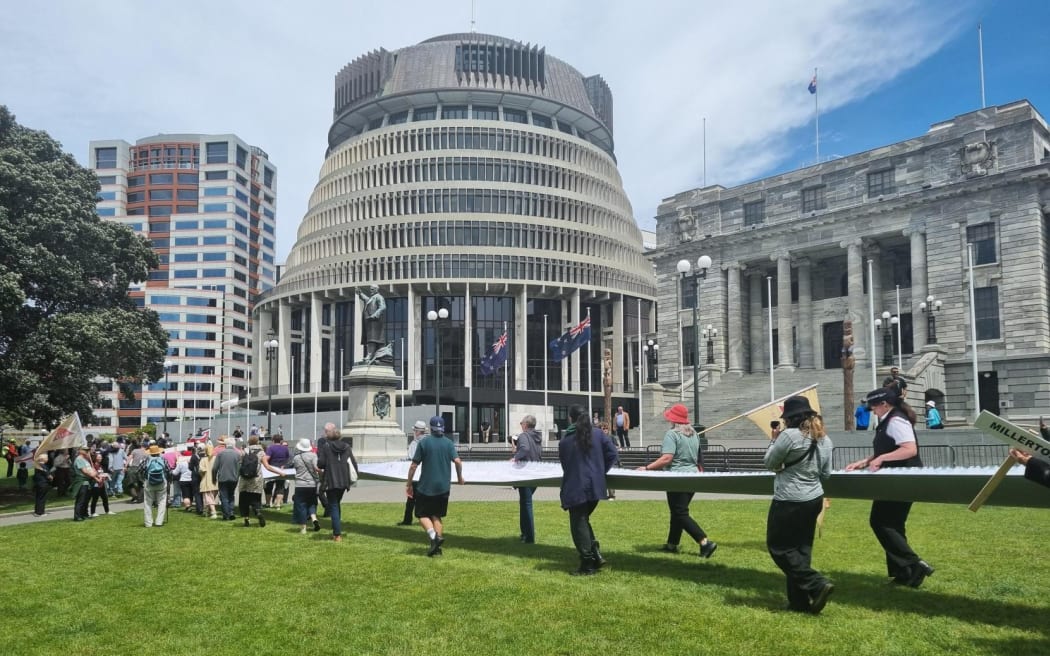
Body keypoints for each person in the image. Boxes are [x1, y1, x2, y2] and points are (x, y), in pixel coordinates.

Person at [846, 387, 934, 588]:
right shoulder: (890, 420)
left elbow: (909, 449)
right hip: (896, 479)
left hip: (902, 480)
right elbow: (888, 448)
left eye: (874, 406)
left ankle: (914, 563)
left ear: (884, 404)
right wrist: (865, 461)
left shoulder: (896, 420)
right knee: (892, 524)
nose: (872, 410)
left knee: (880, 522)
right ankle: (905, 574)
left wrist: (882, 458)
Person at [764, 395, 835, 614]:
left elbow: (769, 463)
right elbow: (826, 474)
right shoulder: (825, 439)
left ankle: (816, 583)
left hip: (789, 499)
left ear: (791, 418)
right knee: (801, 549)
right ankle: (799, 603)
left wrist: (774, 440)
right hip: (813, 498)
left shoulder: (789, 436)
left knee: (778, 547)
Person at [638, 404, 717, 558]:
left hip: (676, 478)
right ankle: (672, 544)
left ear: (673, 419)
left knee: (680, 513)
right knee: (677, 511)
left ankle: (704, 542)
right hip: (693, 476)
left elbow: (667, 458)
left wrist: (647, 468)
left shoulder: (671, 434)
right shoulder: (694, 434)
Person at [559, 404, 618, 575]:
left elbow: (566, 466)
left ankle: (587, 563)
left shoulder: (565, 441)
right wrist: (599, 472)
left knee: (578, 525)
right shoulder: (599, 434)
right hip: (596, 487)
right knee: (583, 521)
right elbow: (613, 455)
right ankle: (596, 555)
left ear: (570, 418)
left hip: (576, 487)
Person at [405, 416, 465, 556]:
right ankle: (436, 548)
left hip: (426, 486)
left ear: (430, 429)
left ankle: (434, 537)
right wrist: (459, 477)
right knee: (436, 516)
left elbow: (414, 465)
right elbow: (457, 461)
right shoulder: (449, 443)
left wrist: (409, 483)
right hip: (443, 487)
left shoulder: (424, 443)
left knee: (421, 514)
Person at [316, 422, 359, 542]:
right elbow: (354, 463)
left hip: (331, 480)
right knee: (336, 504)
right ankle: (337, 528)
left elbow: (321, 463)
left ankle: (337, 533)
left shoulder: (326, 447)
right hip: (343, 480)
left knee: (333, 505)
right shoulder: (346, 447)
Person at [511, 414, 543, 544]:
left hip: (526, 473)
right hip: (536, 473)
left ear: (525, 424)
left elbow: (525, 449)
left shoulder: (524, 436)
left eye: (521, 423)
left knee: (526, 504)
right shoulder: (537, 437)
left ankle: (529, 536)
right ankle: (525, 533)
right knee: (525, 503)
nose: (521, 425)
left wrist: (515, 458)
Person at [397, 420, 427, 526]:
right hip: (425, 475)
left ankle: (408, 519)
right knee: (424, 499)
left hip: (416, 475)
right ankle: (426, 518)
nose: (414, 432)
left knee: (411, 499)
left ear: (417, 431)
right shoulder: (428, 442)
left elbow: (412, 459)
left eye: (415, 430)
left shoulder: (415, 443)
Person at [291, 438, 322, 534]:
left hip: (300, 484)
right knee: (312, 503)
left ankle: (303, 528)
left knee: (301, 506)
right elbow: (317, 468)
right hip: (312, 484)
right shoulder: (313, 455)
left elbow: (296, 469)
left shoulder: (296, 458)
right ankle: (314, 518)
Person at [238, 436, 268, 527]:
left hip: (244, 480)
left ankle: (246, 519)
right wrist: (280, 472)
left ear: (249, 442)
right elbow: (267, 466)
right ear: (258, 442)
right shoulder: (262, 452)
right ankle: (257, 512)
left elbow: (240, 464)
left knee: (244, 500)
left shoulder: (244, 451)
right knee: (255, 499)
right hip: (256, 480)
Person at [140, 444, 171, 528]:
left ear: (150, 453)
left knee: (147, 502)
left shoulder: (146, 460)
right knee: (162, 501)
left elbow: (140, 470)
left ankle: (148, 523)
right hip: (161, 483)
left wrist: (144, 478)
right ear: (158, 452)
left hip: (149, 483)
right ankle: (159, 522)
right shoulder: (163, 460)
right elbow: (169, 470)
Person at [356, 284, 387, 362]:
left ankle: (371, 354)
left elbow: (383, 307)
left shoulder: (379, 297)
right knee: (372, 339)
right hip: (370, 322)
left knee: (373, 339)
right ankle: (379, 355)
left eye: (372, 289)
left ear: (376, 290)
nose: (371, 291)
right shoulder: (372, 298)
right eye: (370, 289)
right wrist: (360, 293)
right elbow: (366, 299)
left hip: (375, 323)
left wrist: (375, 315)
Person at [212, 437, 241, 521]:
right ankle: (231, 512)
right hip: (234, 478)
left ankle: (226, 514)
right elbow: (239, 468)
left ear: (225, 444)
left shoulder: (220, 454)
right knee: (231, 495)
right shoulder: (237, 454)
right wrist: (237, 477)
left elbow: (214, 468)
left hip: (222, 478)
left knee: (224, 496)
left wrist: (213, 478)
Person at [71, 445, 101, 522]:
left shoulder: (85, 460)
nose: (87, 451)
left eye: (87, 450)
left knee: (85, 500)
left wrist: (97, 477)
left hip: (87, 482)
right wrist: (93, 475)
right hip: (81, 481)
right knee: (80, 500)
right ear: (80, 450)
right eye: (85, 450)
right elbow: (85, 471)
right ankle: (77, 516)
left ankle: (83, 514)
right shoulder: (79, 459)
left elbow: (90, 470)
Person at [264, 434, 290, 510]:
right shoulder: (285, 449)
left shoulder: (270, 448)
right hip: (281, 469)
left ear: (273, 440)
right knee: (280, 487)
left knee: (269, 487)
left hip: (271, 470)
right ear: (281, 440)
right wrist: (283, 465)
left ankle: (268, 503)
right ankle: (278, 504)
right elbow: (287, 458)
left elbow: (267, 458)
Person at [196, 443, 219, 518]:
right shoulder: (216, 458)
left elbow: (201, 470)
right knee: (212, 497)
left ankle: (213, 512)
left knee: (208, 497)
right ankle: (207, 511)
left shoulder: (203, 459)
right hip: (215, 480)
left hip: (206, 481)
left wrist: (202, 474)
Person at [88, 452, 112, 516]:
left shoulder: (100, 465)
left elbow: (101, 473)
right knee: (95, 498)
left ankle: (107, 511)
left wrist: (105, 476)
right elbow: (93, 475)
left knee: (105, 498)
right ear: (95, 458)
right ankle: (93, 512)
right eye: (99, 457)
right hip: (95, 484)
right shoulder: (93, 466)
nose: (100, 458)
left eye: (101, 457)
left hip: (102, 484)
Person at [32, 452, 52, 516]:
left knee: (38, 497)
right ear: (43, 459)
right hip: (43, 483)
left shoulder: (37, 465)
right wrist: (51, 477)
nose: (47, 459)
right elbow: (48, 475)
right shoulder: (42, 466)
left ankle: (37, 511)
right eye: (47, 458)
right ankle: (40, 512)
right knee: (42, 498)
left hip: (38, 483)